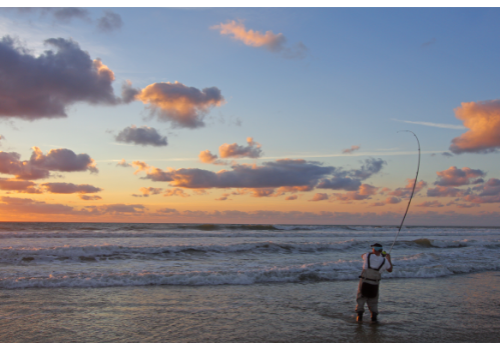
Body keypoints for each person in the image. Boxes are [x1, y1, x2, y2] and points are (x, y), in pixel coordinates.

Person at [355, 243, 393, 323]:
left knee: (361, 298)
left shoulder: (367, 255)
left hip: (364, 281)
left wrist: (373, 253)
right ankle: (374, 318)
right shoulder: (384, 261)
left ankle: (359, 316)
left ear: (374, 249)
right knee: (373, 300)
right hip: (375, 283)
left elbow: (362, 255)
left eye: (372, 248)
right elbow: (390, 270)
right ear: (381, 250)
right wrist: (388, 258)